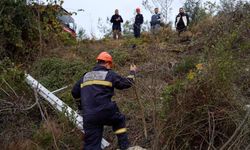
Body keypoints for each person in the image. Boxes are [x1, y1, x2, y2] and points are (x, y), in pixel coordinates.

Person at [71, 51, 137, 150]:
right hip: (105, 111)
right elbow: (126, 83)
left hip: (89, 115)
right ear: (107, 63)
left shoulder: (85, 76)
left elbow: (74, 92)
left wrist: (80, 106)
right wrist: (132, 72)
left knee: (92, 144)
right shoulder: (109, 75)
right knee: (119, 120)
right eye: (110, 65)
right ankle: (124, 147)